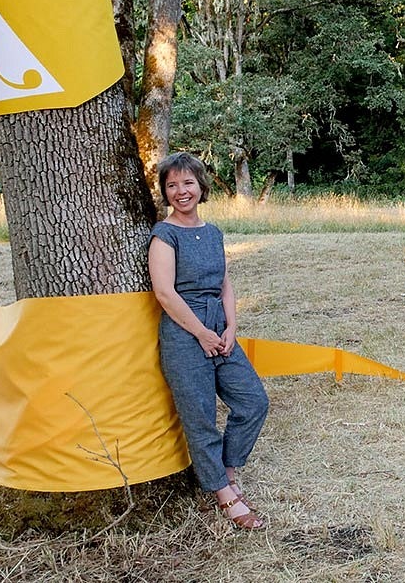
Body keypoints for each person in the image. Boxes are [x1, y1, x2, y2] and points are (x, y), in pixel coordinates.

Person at [148, 151, 269, 529]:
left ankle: (228, 472)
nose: (181, 191)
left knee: (253, 401)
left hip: (220, 328)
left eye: (188, 183)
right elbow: (165, 294)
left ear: (201, 186)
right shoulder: (163, 236)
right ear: (165, 192)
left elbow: (225, 283)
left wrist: (231, 327)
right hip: (185, 334)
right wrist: (200, 333)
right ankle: (223, 495)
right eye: (172, 185)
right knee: (200, 419)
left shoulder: (213, 232)